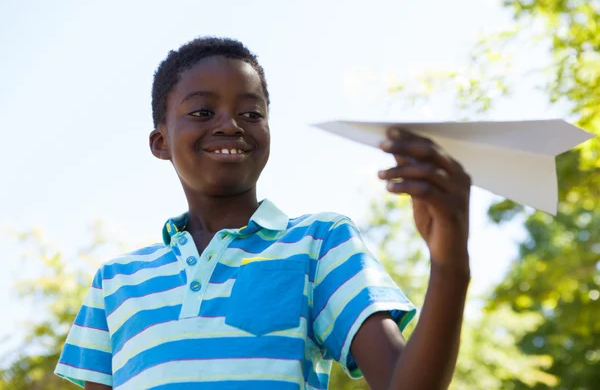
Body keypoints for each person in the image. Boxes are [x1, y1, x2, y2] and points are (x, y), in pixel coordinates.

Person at [54, 37, 472, 390]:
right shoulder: (115, 282)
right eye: (203, 111)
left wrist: (450, 262)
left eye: (251, 113)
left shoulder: (320, 243)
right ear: (160, 142)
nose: (231, 124)